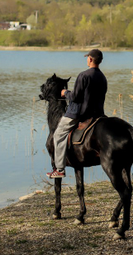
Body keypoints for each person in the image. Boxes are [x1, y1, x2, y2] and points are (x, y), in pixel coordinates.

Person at [46, 49, 107, 178]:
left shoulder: (84, 75)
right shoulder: (102, 77)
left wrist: (65, 93)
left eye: (87, 58)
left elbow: (76, 97)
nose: (87, 59)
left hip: (80, 113)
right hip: (98, 114)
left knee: (58, 134)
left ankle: (60, 169)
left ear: (90, 59)